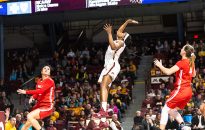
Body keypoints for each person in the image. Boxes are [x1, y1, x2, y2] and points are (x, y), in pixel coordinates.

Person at [96, 19, 138, 119]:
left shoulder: (121, 43)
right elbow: (119, 30)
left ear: (124, 37)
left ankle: (103, 110)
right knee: (103, 86)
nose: (121, 32)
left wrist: (109, 33)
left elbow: (113, 46)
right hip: (108, 65)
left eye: (124, 33)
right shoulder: (120, 38)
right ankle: (103, 110)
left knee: (104, 85)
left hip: (113, 64)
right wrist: (127, 22)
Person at [154, 44, 196, 130]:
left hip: (181, 90)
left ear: (184, 52)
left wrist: (160, 65)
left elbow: (168, 72)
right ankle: (183, 125)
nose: (181, 49)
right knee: (171, 110)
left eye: (182, 48)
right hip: (188, 92)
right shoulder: (191, 62)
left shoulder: (181, 62)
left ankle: (161, 129)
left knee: (165, 109)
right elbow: (194, 74)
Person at [17, 66, 55, 130]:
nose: (46, 69)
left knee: (29, 116)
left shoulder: (50, 81)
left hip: (47, 106)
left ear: (49, 73)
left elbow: (41, 91)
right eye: (44, 68)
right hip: (39, 105)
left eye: (48, 69)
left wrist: (26, 92)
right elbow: (38, 93)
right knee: (26, 125)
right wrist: (33, 97)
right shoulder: (39, 81)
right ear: (41, 71)